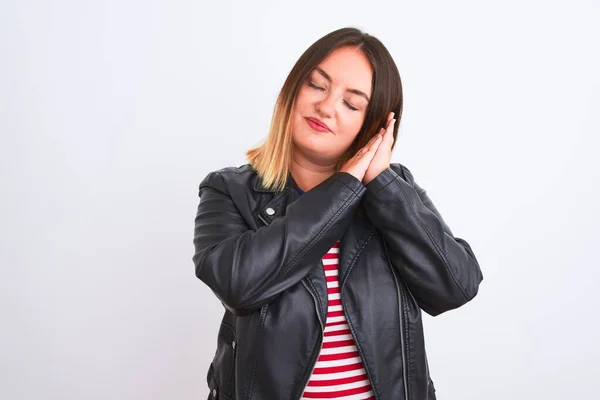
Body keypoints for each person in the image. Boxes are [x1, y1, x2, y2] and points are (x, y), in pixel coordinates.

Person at [192, 27, 483, 400]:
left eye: (352, 103)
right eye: (317, 85)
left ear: (375, 125)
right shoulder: (228, 190)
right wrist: (345, 187)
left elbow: (454, 288)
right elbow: (239, 286)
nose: (327, 107)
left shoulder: (392, 190)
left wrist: (381, 185)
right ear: (292, 90)